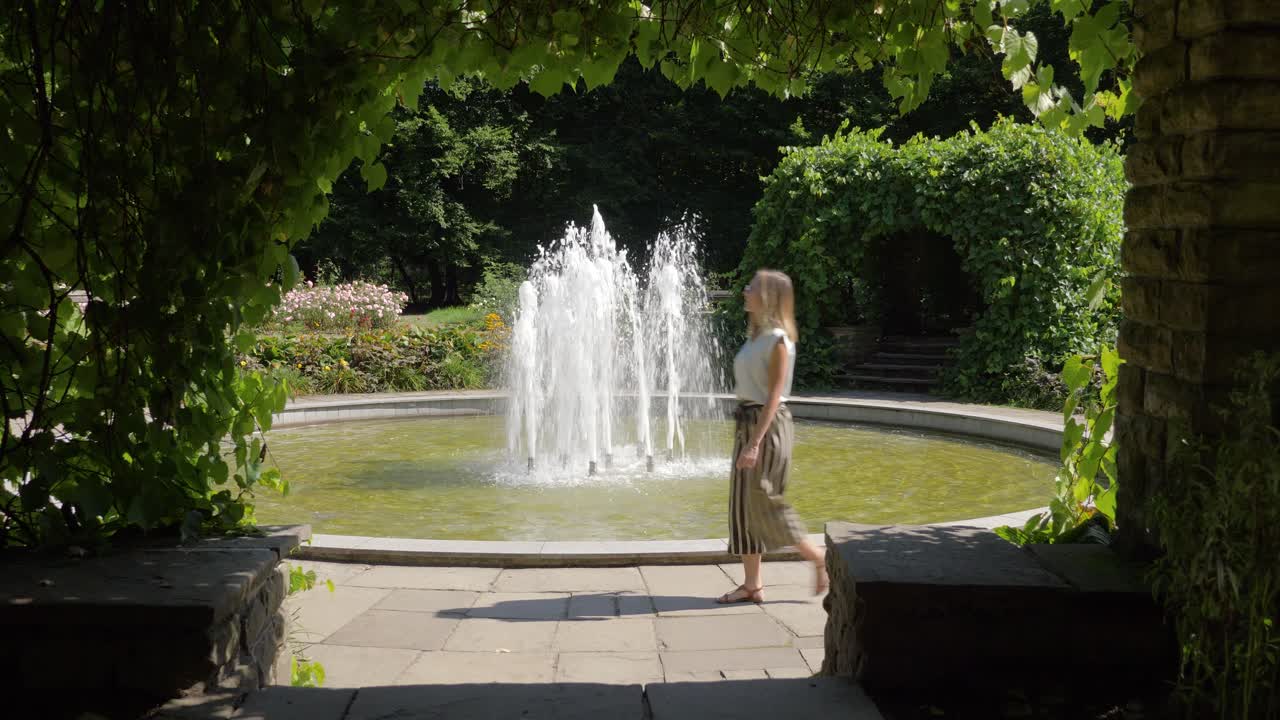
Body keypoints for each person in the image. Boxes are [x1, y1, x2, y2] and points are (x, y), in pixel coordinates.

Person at [717, 269, 828, 604]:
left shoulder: (779, 340)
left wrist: (754, 444)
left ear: (766, 296)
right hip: (747, 423)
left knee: (763, 498)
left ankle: (818, 557)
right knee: (742, 505)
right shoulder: (756, 336)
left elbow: (774, 396)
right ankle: (752, 585)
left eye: (751, 287)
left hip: (767, 426)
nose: (745, 291)